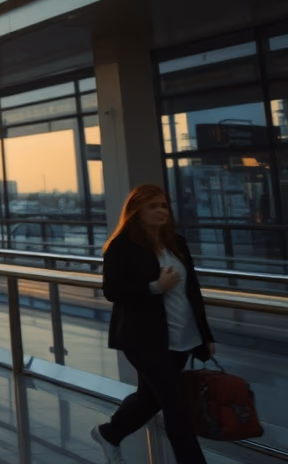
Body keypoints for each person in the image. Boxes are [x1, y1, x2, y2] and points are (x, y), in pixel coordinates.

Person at [91, 185, 216, 464]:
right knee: (176, 406)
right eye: (153, 206)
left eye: (164, 205)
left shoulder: (177, 243)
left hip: (182, 336)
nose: (162, 211)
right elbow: (112, 290)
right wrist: (154, 287)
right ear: (136, 211)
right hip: (144, 338)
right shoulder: (121, 246)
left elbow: (192, 291)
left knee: (150, 398)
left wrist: (205, 334)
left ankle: (109, 433)